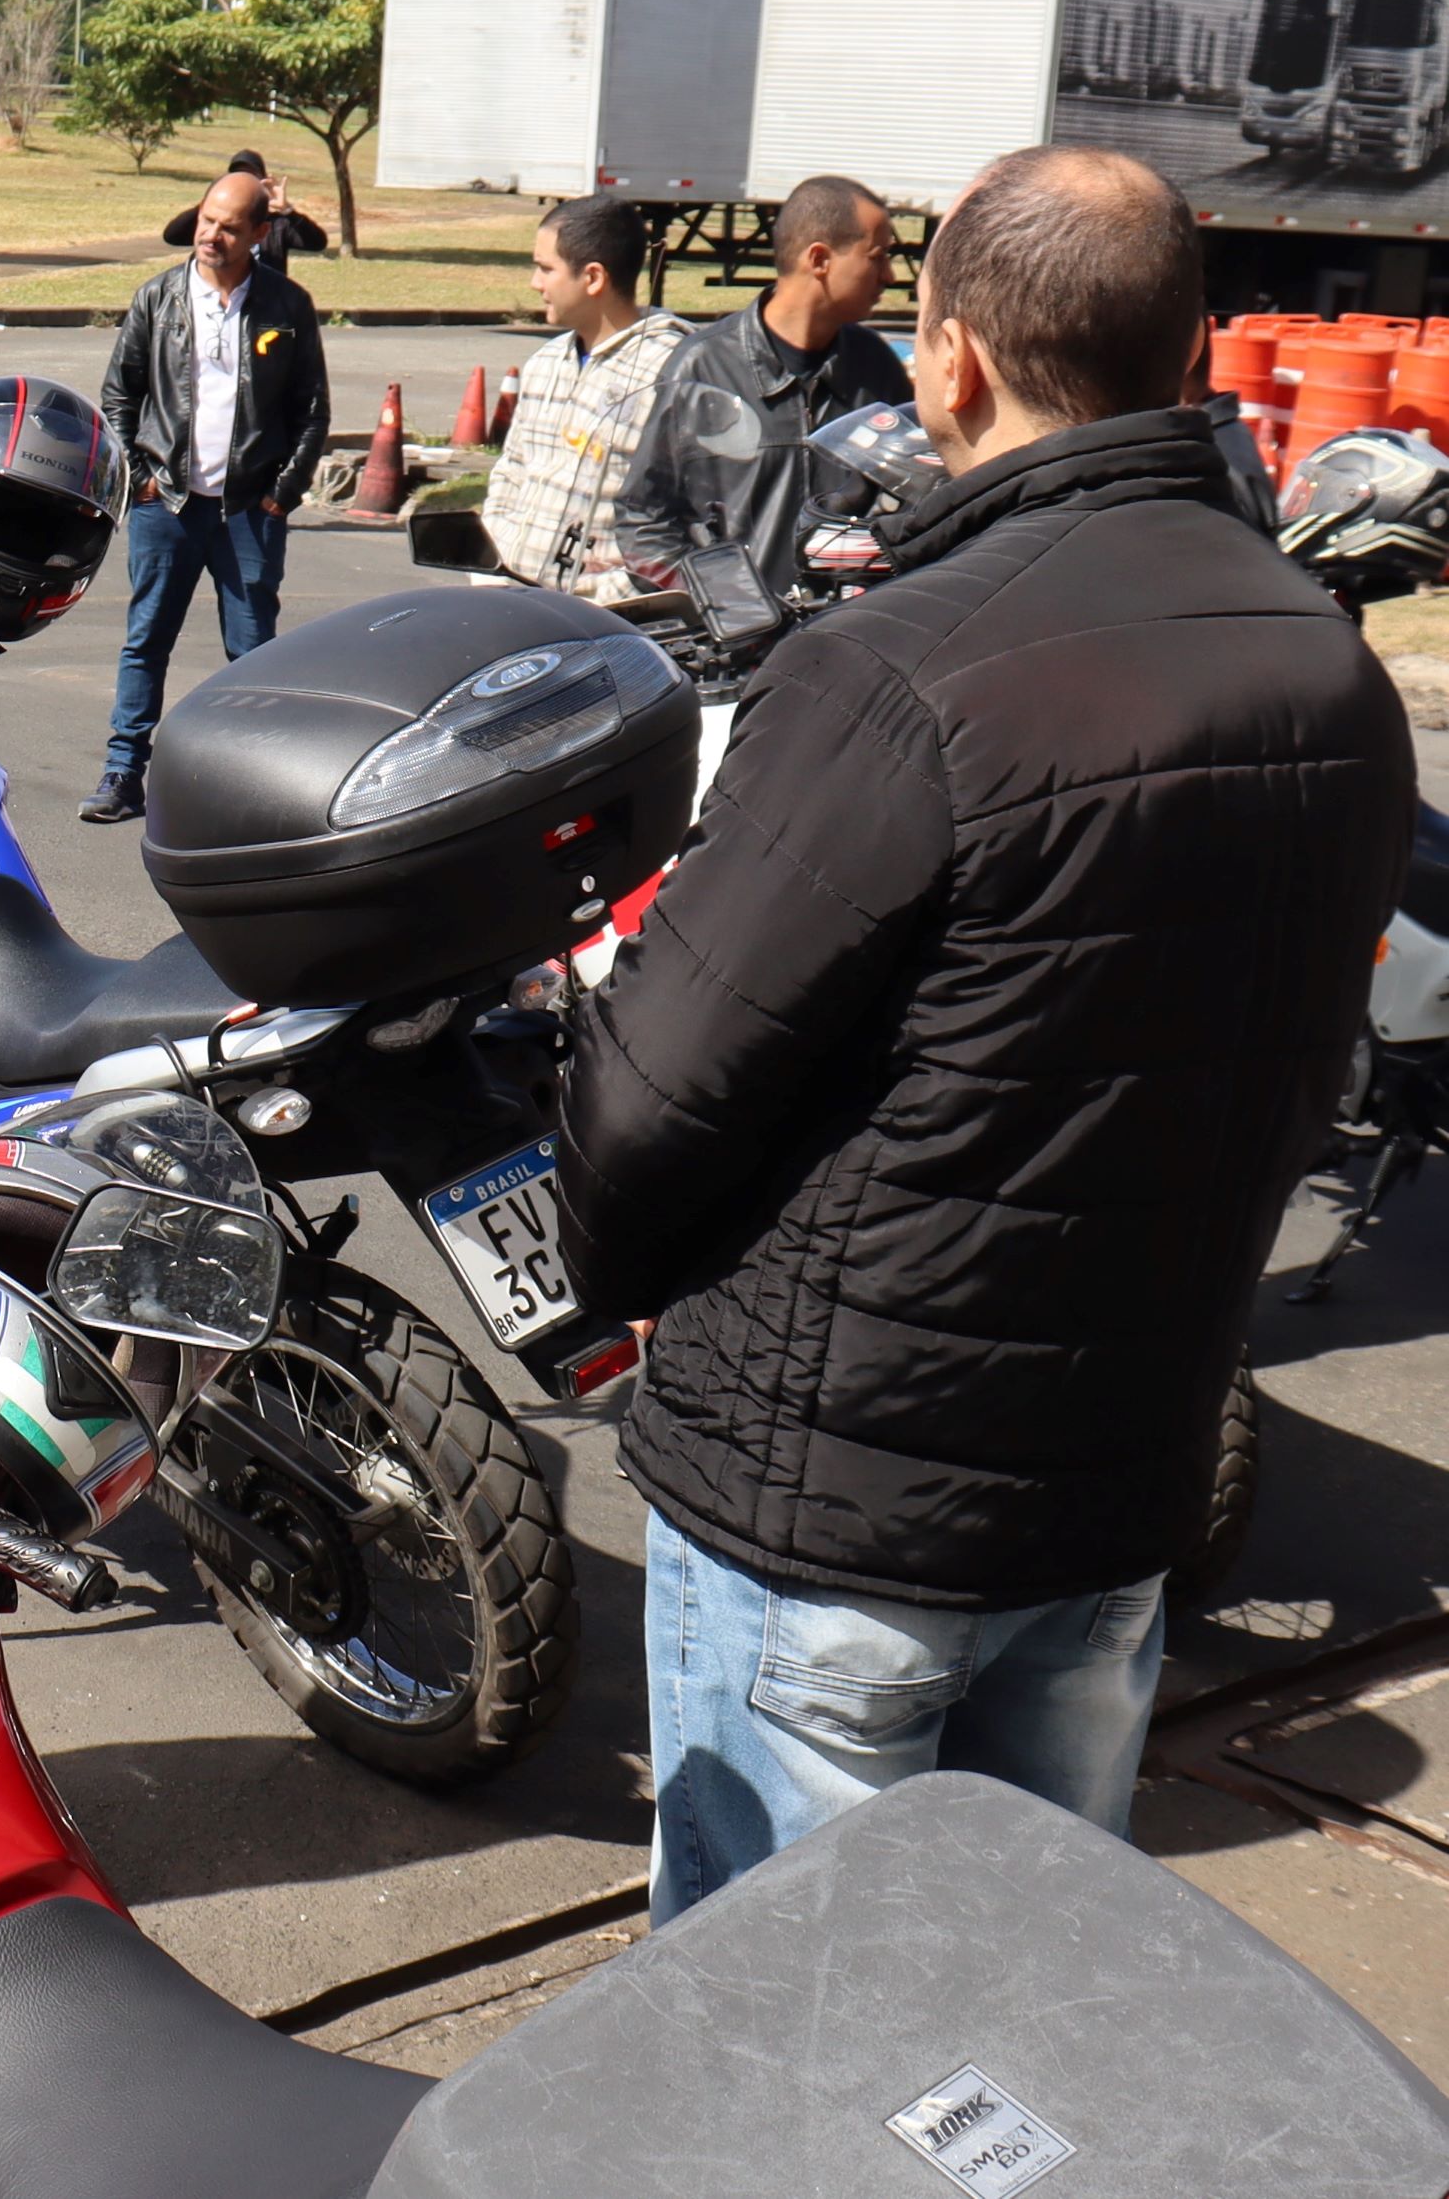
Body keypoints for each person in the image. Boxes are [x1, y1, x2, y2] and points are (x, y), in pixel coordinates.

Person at [556, 147, 1413, 1922]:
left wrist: (627, 1260)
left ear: (946, 362)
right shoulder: (1323, 664)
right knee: (1015, 2038)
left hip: (838, 1516)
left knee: (770, 2055)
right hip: (1116, 1498)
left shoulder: (895, 669)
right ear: (1191, 358)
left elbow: (645, 1111)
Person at [82, 170, 333, 822]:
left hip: (249, 509)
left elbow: (311, 408)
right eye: (205, 221)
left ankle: (248, 784)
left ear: (258, 232)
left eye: (227, 226)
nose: (211, 236)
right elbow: (119, 393)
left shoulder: (286, 305)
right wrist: (138, 474)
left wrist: (282, 493)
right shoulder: (157, 298)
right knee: (146, 640)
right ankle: (121, 772)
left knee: (252, 653)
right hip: (165, 501)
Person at [606, 174, 908, 602]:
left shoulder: (876, 367)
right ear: (819, 259)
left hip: (847, 641)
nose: (890, 276)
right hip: (740, 660)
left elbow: (915, 507)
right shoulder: (701, 367)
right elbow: (642, 521)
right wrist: (730, 607)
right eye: (878, 257)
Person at [481, 194, 694, 594]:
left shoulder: (676, 371)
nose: (535, 283)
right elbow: (510, 472)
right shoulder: (545, 363)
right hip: (512, 604)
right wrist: (491, 563)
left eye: (546, 269)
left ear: (593, 277)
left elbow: (693, 519)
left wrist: (612, 597)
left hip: (606, 625)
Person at [219, 147, 334, 279]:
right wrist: (216, 198)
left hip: (267, 296)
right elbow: (189, 233)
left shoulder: (277, 225)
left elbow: (317, 243)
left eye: (252, 177)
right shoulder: (219, 221)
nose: (245, 183)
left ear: (264, 181)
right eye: (238, 177)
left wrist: (287, 210)